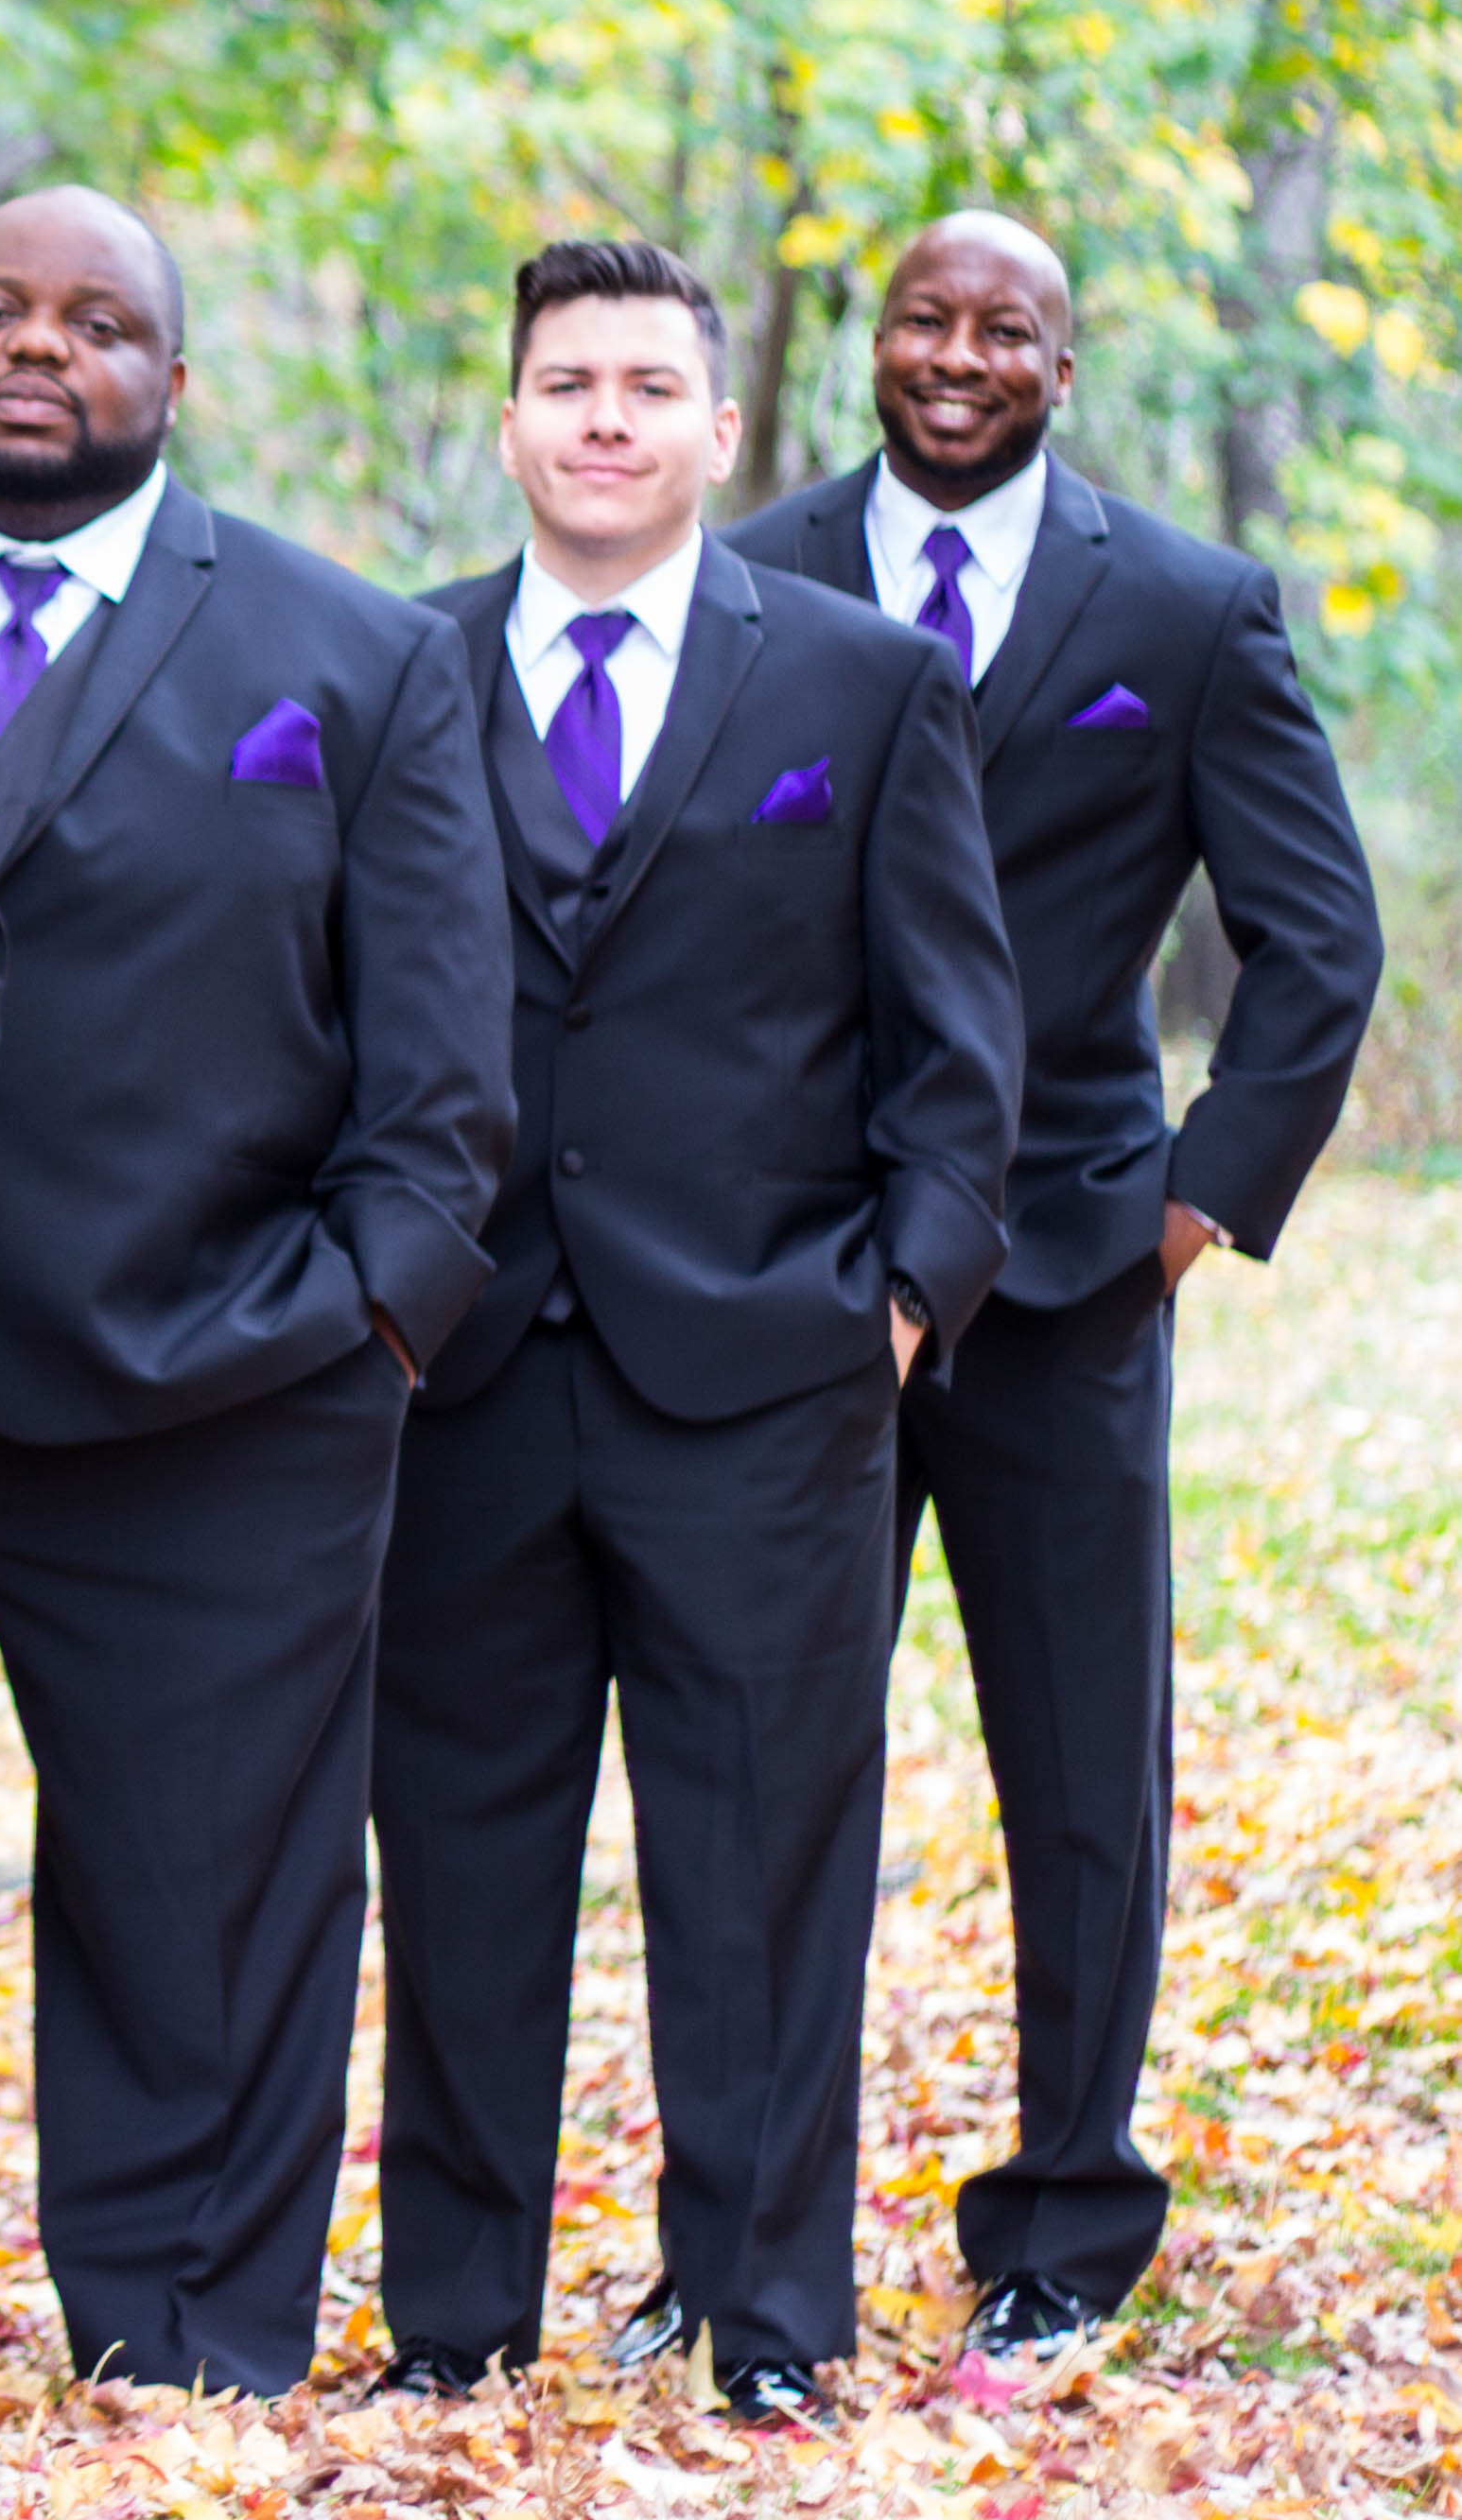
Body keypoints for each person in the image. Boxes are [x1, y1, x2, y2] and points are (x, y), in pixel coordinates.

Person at [0, 184, 512, 2394]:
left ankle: (190, 2342)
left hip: (222, 1383)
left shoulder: (356, 658)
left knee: (209, 1902)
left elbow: (443, 1072)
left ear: (176, 376)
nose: (39, 349)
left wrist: (372, 1321)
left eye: (98, 322)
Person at [369, 237, 1021, 2424]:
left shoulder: (862, 686)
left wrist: (898, 1312)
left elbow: (962, 1054)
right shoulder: (400, 669)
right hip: (464, 1382)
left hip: (768, 1384)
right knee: (462, 1867)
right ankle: (453, 2322)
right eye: (568, 382)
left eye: (650, 386)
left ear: (722, 431)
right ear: (511, 421)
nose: (607, 419)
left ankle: (770, 2321)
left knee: (761, 1871)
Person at [727, 212, 1380, 2354]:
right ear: (874, 343)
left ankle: (1065, 2230)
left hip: (1073, 1272)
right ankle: (747, 2231)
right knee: (762, 1766)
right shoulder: (754, 574)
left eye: (1004, 328)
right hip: (806, 1269)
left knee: (1086, 1769)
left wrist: (1194, 1207)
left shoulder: (1186, 611)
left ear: (1062, 369)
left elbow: (1318, 940)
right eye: (924, 317)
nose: (958, 353)